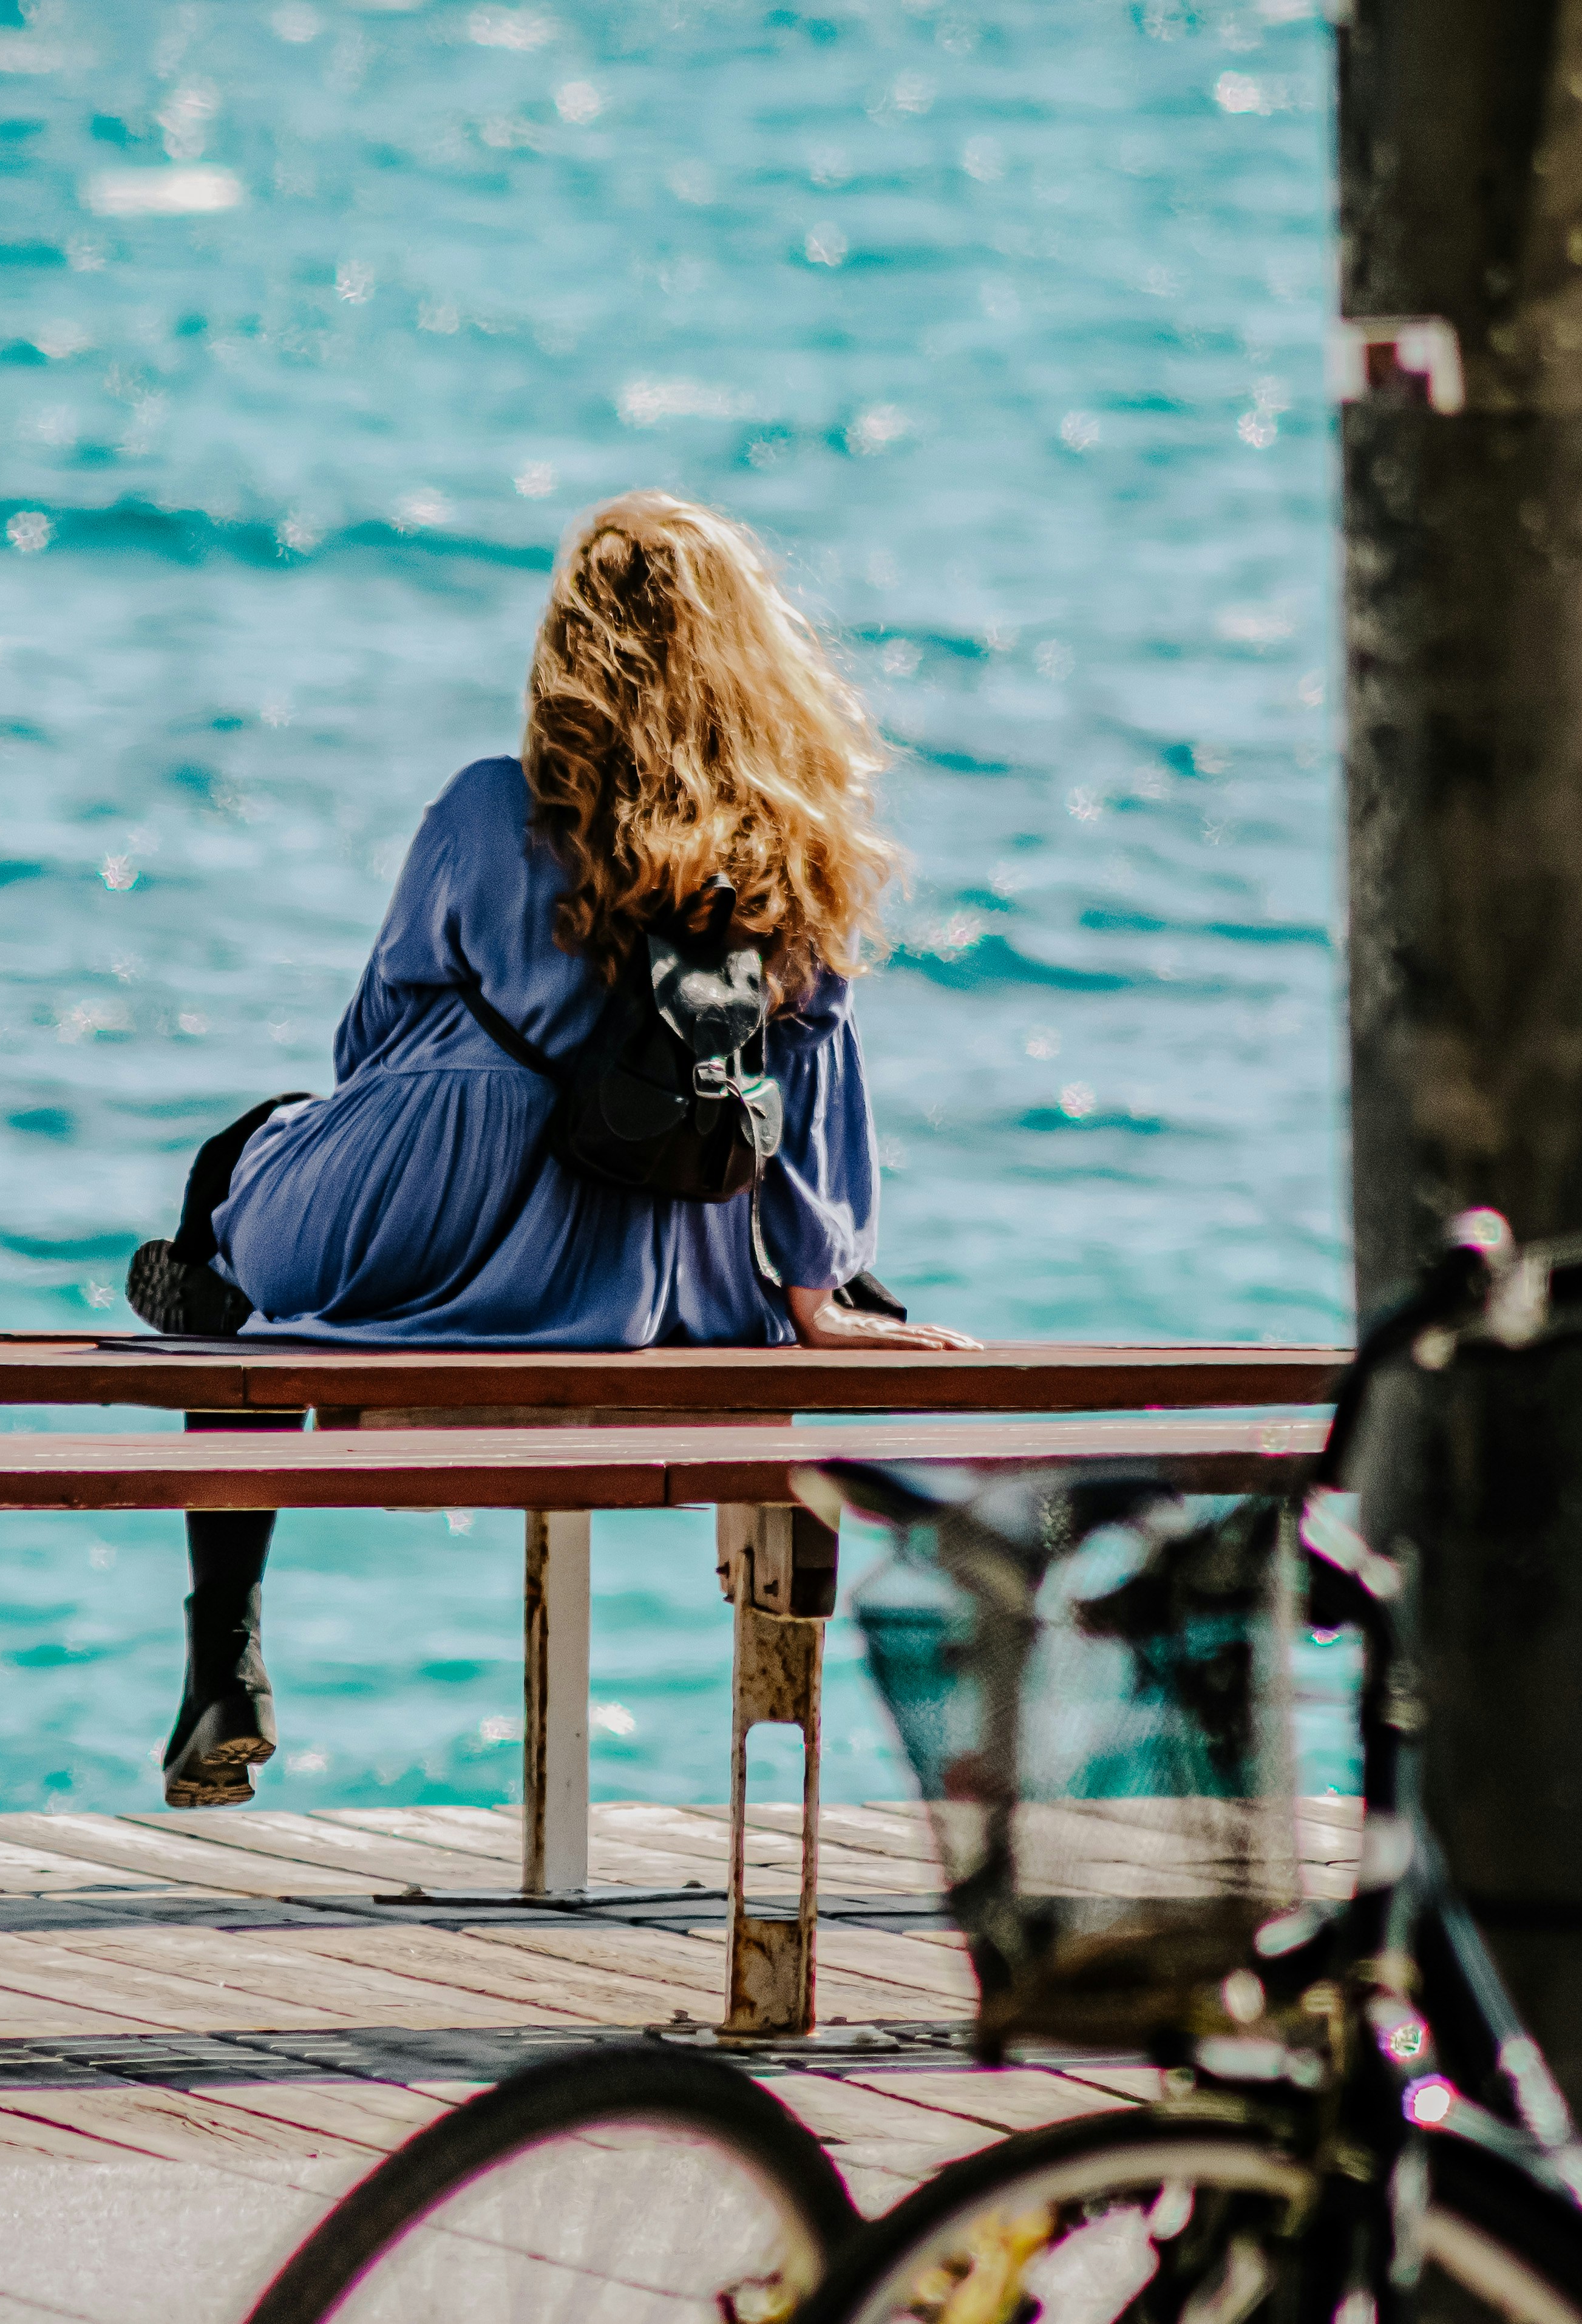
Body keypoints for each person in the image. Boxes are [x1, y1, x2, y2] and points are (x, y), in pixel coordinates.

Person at [126, 492, 978, 1809]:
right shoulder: (786, 847)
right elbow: (813, 1082)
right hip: (670, 1281)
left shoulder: (487, 809)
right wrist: (815, 1296)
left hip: (446, 1238)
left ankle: (223, 1652)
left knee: (234, 1166)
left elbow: (368, 1043)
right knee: (251, 1220)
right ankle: (227, 1301)